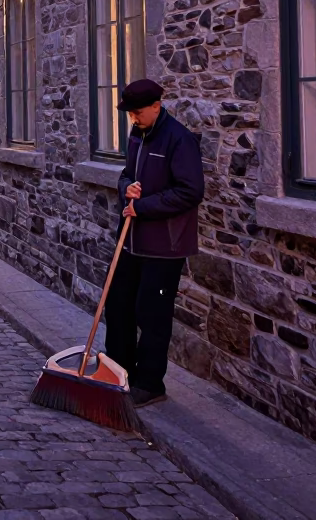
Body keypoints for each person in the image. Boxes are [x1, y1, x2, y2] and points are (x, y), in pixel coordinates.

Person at [106, 78, 204, 408]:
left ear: (156, 106)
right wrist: (126, 189)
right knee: (118, 305)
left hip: (165, 247)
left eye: (137, 113)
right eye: (130, 114)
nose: (133, 119)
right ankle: (118, 370)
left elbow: (191, 192)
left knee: (152, 312)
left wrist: (143, 205)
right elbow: (125, 175)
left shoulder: (180, 140)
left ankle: (149, 383)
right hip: (131, 240)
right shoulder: (138, 135)